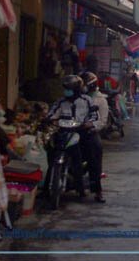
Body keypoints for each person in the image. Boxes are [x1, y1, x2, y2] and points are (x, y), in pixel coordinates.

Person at [44, 75, 98, 199]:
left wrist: (89, 123)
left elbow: (94, 115)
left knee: (81, 157)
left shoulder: (87, 100)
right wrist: (50, 119)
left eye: (69, 89)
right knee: (52, 154)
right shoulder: (61, 102)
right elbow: (52, 113)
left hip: (80, 132)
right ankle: (47, 188)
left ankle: (83, 187)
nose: (67, 91)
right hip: (62, 131)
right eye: (66, 88)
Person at [80, 71, 107, 203]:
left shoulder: (100, 99)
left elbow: (102, 121)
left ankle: (97, 190)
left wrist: (91, 125)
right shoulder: (76, 97)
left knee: (95, 154)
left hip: (89, 132)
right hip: (73, 130)